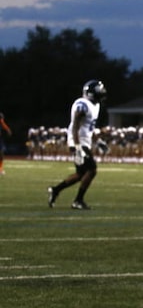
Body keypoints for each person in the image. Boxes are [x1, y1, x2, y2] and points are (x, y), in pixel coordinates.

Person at [47, 80, 107, 210]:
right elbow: (75, 126)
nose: (101, 93)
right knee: (92, 170)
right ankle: (78, 201)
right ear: (91, 93)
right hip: (77, 141)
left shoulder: (95, 105)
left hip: (84, 141)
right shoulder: (82, 104)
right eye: (99, 91)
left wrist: (99, 141)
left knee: (80, 174)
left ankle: (55, 190)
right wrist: (78, 147)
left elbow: (89, 127)